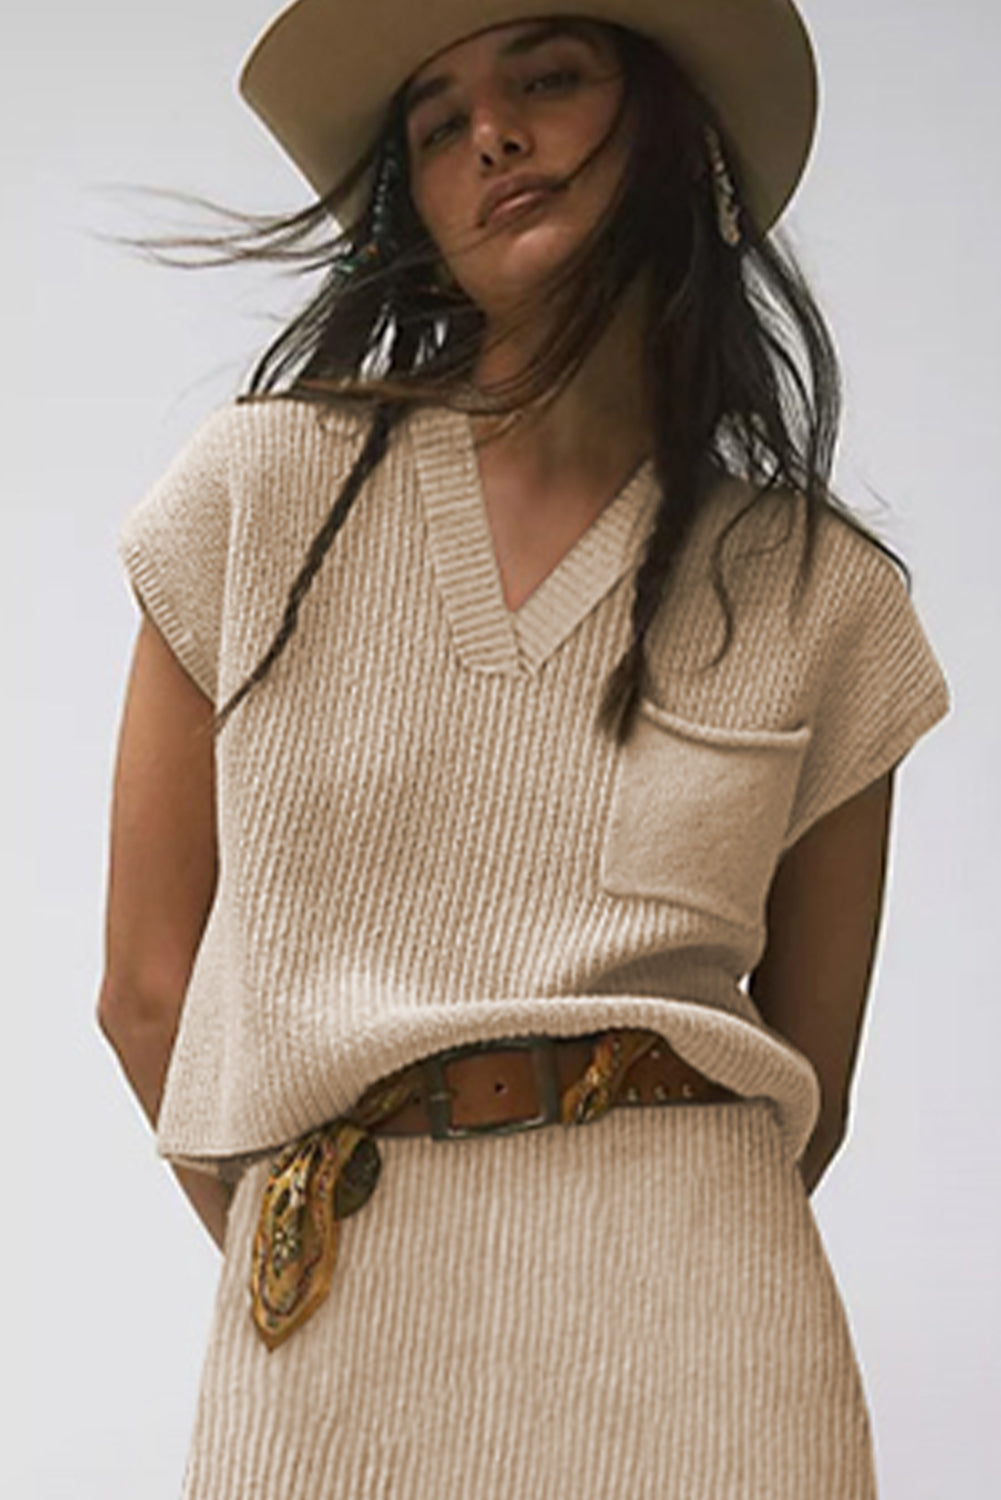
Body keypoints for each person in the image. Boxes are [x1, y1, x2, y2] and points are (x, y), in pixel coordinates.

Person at [98, 1, 951, 1496]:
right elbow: (146, 995)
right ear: (413, 210)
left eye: (548, 76)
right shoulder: (257, 494)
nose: (493, 134)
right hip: (336, 1337)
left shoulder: (826, 597)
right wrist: (328, 1253)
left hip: (713, 1343)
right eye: (438, 124)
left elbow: (808, 1086)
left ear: (678, 128)